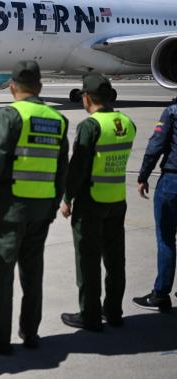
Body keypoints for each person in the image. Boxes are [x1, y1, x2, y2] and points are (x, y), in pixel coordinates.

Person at [0, 61, 69, 354]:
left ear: (12, 86)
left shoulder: (10, 116)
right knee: (33, 273)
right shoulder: (57, 118)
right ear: (40, 86)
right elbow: (61, 168)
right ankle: (31, 333)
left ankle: (0, 337)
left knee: (2, 273)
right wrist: (54, 204)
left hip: (10, 209)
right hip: (42, 208)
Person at [60, 73, 136, 330]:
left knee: (88, 261)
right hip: (117, 200)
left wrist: (67, 198)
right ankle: (114, 312)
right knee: (116, 261)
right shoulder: (127, 122)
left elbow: (77, 168)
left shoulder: (90, 126)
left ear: (88, 97)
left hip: (91, 202)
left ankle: (90, 316)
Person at [133, 98, 177, 312]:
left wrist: (143, 176)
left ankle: (161, 294)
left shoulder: (171, 112)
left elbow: (156, 145)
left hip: (173, 181)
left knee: (166, 239)